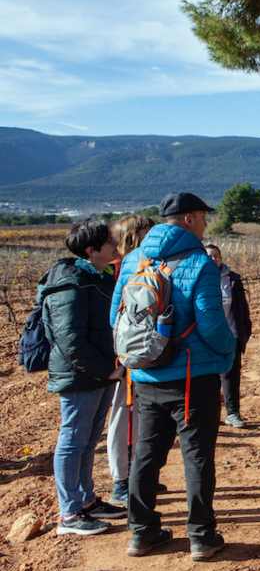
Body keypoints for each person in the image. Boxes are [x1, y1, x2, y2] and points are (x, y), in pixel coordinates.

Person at [110, 192, 236, 561]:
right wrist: (228, 352)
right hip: (192, 379)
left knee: (146, 455)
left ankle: (142, 532)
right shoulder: (200, 263)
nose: (206, 223)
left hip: (145, 377)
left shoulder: (133, 259)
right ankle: (201, 535)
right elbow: (211, 323)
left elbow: (115, 319)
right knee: (197, 457)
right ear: (191, 219)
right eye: (203, 217)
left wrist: (140, 356)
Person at [46, 220, 125, 535]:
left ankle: (86, 500)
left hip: (99, 373)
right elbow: (70, 340)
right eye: (109, 243)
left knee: (88, 440)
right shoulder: (70, 282)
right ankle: (69, 514)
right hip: (81, 376)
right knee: (72, 440)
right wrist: (104, 369)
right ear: (92, 250)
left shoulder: (93, 277)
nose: (116, 247)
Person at [105, 214, 154, 506]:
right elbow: (115, 316)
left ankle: (136, 474)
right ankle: (121, 480)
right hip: (124, 355)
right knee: (123, 415)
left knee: (139, 415)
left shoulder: (134, 265)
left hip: (135, 351)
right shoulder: (121, 269)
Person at [204, 244, 253, 429]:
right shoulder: (200, 277)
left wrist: (244, 331)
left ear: (221, 258)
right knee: (208, 378)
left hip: (230, 335)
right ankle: (210, 416)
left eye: (216, 256)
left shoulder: (232, 279)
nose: (213, 259)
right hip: (207, 337)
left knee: (231, 376)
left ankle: (232, 413)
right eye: (209, 256)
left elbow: (242, 308)